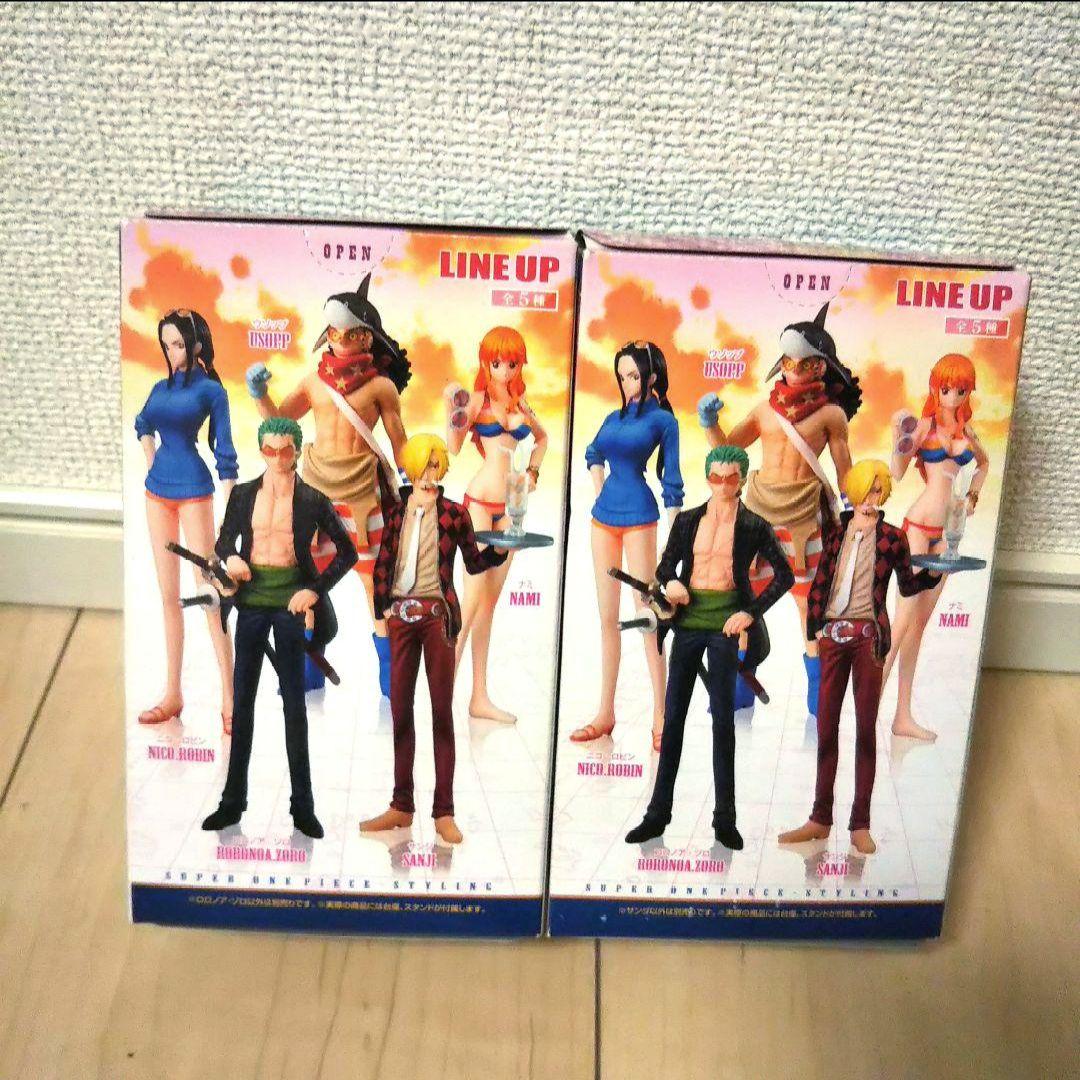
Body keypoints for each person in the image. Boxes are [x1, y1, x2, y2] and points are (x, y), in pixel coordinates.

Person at [246, 275, 409, 697]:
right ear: (328, 334)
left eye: (352, 333)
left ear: (367, 337)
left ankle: (390, 675)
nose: (342, 340)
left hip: (363, 497)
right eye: (336, 332)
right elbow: (280, 422)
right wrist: (259, 395)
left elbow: (400, 443)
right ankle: (308, 668)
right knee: (307, 580)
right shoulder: (314, 382)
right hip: (316, 496)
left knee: (374, 584)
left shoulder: (381, 386)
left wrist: (420, 473)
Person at [625, 445, 794, 850]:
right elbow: (665, 565)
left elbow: (784, 575)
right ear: (707, 478)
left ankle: (725, 819)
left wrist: (750, 613)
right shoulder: (687, 520)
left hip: (725, 624)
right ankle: (657, 814)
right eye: (714, 477)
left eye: (729, 478)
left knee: (723, 721)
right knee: (673, 718)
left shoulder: (753, 525)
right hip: (687, 622)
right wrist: (672, 583)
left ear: (741, 479)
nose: (721, 485)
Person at [698, 303, 860, 718]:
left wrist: (857, 511)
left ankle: (817, 687)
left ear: (821, 367)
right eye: (788, 361)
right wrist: (710, 424)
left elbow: (845, 472)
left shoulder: (831, 415)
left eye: (804, 363)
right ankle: (740, 682)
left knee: (808, 606)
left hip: (805, 520)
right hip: (758, 515)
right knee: (743, 600)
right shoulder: (764, 410)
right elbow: (727, 451)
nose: (793, 369)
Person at [201, 418, 357, 839]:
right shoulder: (243, 495)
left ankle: (303, 806)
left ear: (297, 450)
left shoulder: (311, 499)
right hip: (251, 603)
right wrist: (231, 558)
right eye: (268, 450)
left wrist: (314, 591)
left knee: (294, 706)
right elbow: (223, 542)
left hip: (290, 604)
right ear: (261, 451)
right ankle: (232, 802)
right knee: (243, 704)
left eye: (284, 450)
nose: (276, 458)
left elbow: (347, 552)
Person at [778, 460, 940, 855]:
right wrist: (816, 629)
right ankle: (820, 819)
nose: (870, 498)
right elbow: (820, 583)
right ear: (852, 492)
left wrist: (934, 574)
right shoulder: (835, 533)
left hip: (869, 640)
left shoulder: (893, 538)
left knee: (866, 732)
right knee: (826, 728)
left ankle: (860, 824)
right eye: (865, 491)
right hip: (833, 639)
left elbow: (907, 585)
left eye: (877, 491)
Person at [359, 435, 508, 846]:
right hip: (401, 620)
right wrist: (384, 611)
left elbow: (474, 562)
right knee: (400, 711)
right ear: (410, 469)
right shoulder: (395, 513)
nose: (429, 475)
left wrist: (500, 549)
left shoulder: (455, 514)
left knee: (442, 713)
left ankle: (444, 811)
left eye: (435, 466)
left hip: (438, 620)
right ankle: (401, 805)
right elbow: (383, 563)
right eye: (422, 467)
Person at [571, 341, 683, 751]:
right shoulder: (612, 418)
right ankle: (605, 712)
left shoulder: (663, 421)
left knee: (647, 617)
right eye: (621, 376)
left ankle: (661, 715)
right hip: (602, 520)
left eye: (633, 376)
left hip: (639, 518)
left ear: (651, 376)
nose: (626, 383)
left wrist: (675, 541)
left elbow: (672, 482)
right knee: (607, 618)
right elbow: (593, 451)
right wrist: (599, 487)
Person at [134, 308, 238, 732]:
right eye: (166, 345)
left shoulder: (212, 391)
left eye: (177, 344)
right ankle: (173, 692)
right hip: (156, 494)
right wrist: (151, 461)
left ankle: (231, 697)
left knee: (209, 595)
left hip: (195, 491)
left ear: (195, 345)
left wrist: (231, 512)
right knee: (168, 596)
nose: (171, 352)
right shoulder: (159, 388)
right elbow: (142, 423)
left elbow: (226, 454)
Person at [881, 354, 989, 740]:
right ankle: (865, 712)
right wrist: (898, 439)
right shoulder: (923, 426)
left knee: (919, 625)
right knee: (901, 622)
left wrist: (972, 496)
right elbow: (896, 472)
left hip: (947, 533)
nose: (953, 396)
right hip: (917, 526)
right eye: (947, 389)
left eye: (961, 390)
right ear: (934, 387)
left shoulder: (967, 431)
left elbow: (984, 465)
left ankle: (902, 716)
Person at [445, 326, 548, 723]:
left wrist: (533, 472)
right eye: (497, 363)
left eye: (512, 363)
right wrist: (452, 413)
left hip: (511, 505)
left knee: (489, 604)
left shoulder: (521, 403)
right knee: (471, 600)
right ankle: (442, 692)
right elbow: (454, 447)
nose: (504, 370)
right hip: (478, 502)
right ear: (485, 363)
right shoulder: (476, 401)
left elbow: (543, 439)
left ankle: (479, 697)